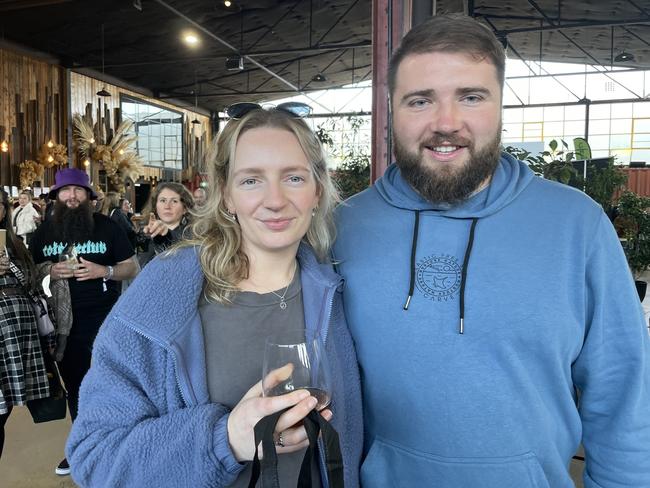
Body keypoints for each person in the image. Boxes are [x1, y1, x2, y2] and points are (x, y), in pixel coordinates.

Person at [333, 14, 650, 488]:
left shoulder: (574, 224)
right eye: (420, 101)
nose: (446, 123)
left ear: (501, 106)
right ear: (391, 111)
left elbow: (623, 392)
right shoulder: (342, 227)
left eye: (471, 97)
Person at [66, 105, 362, 487]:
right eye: (251, 181)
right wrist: (227, 439)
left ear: (317, 191)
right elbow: (95, 458)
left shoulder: (333, 287)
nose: (275, 199)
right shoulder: (165, 294)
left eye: (293, 177)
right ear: (225, 196)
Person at [30, 168, 139, 476]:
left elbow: (131, 267)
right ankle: (82, 448)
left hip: (106, 321)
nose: (73, 196)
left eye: (79, 190)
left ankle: (114, 446)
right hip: (61, 326)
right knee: (76, 388)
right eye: (66, 191)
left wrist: (102, 271)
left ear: (90, 197)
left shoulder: (106, 227)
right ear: (56, 197)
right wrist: (51, 270)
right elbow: (30, 274)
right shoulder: (43, 233)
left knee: (110, 386)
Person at [0, 189, 50, 460]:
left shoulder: (14, 242)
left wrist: (14, 268)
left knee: (4, 409)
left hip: (17, 331)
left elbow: (32, 283)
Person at [138, 182, 194, 265]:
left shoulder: (192, 237)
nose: (167, 206)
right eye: (163, 200)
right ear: (155, 206)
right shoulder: (146, 232)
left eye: (174, 201)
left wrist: (165, 235)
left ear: (185, 208)